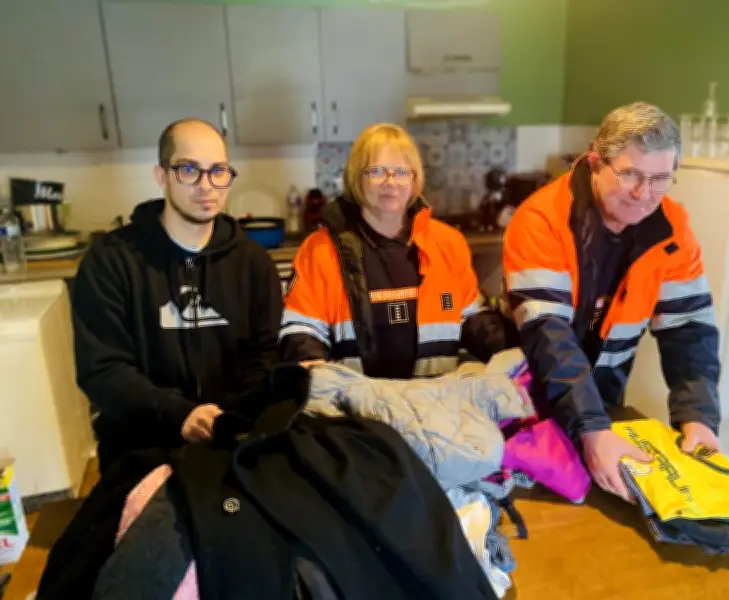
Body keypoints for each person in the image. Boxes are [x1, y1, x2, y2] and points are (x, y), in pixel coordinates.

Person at [503, 102, 721, 502]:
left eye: (660, 179)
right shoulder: (542, 219)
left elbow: (689, 330)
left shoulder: (672, 228)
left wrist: (698, 418)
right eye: (630, 174)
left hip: (604, 400)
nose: (643, 194)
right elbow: (549, 336)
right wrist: (591, 427)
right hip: (526, 403)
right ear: (595, 162)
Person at [71, 118, 283, 473]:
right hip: (139, 448)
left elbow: (266, 355)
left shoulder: (253, 263)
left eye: (218, 171)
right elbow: (103, 370)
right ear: (161, 175)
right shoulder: (111, 262)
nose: (206, 186)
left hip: (231, 443)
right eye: (188, 169)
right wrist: (179, 415)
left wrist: (225, 420)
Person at [280, 123, 513, 377]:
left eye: (401, 171)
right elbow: (301, 331)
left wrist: (517, 347)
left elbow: (471, 319)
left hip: (433, 406)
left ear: (415, 179)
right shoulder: (319, 250)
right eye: (377, 171)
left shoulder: (448, 243)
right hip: (352, 409)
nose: (390, 182)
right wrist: (314, 375)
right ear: (357, 178)